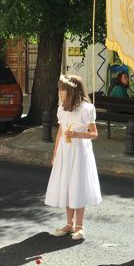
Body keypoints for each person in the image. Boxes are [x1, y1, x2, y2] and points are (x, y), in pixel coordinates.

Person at [44, 74, 102, 240]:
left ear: (72, 90)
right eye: (60, 89)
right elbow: (60, 133)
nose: (60, 93)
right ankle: (69, 223)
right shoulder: (62, 108)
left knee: (78, 184)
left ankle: (80, 225)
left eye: (63, 90)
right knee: (67, 184)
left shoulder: (86, 109)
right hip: (65, 151)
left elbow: (94, 134)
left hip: (80, 151)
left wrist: (77, 134)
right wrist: (55, 155)